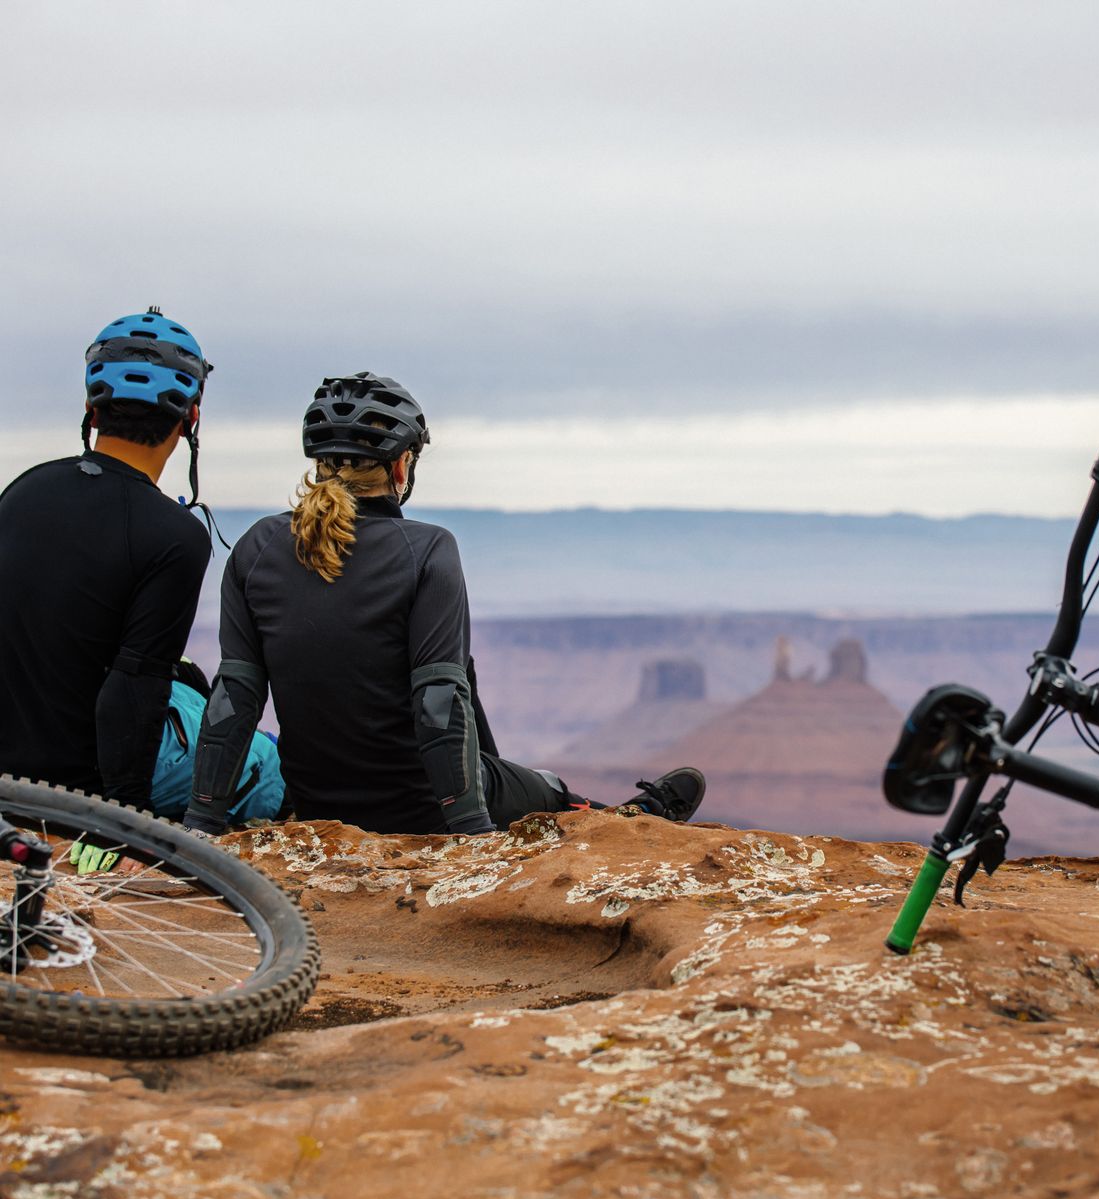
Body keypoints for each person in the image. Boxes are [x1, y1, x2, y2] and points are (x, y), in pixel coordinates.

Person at [182, 372, 705, 837]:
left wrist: (200, 824)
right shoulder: (427, 549)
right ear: (401, 465)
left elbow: (236, 696)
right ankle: (627, 827)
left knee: (472, 705)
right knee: (545, 790)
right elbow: (438, 703)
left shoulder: (257, 546)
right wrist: (472, 834)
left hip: (320, 803)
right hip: (421, 809)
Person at [0, 309, 282, 847]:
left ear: (91, 408)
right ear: (192, 417)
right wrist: (121, 823)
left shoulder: (23, 491)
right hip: (76, 786)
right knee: (265, 763)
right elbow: (135, 685)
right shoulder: (174, 536)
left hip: (9, 766)